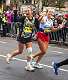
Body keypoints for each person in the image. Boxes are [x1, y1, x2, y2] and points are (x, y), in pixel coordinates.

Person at [6, 7, 39, 71]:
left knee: (30, 51)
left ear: (32, 12)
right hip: (22, 37)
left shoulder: (35, 20)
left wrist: (36, 34)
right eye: (26, 11)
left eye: (28, 10)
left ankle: (28, 66)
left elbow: (37, 28)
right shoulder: (23, 18)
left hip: (29, 37)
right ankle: (10, 55)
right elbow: (15, 20)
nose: (27, 12)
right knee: (20, 51)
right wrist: (15, 11)